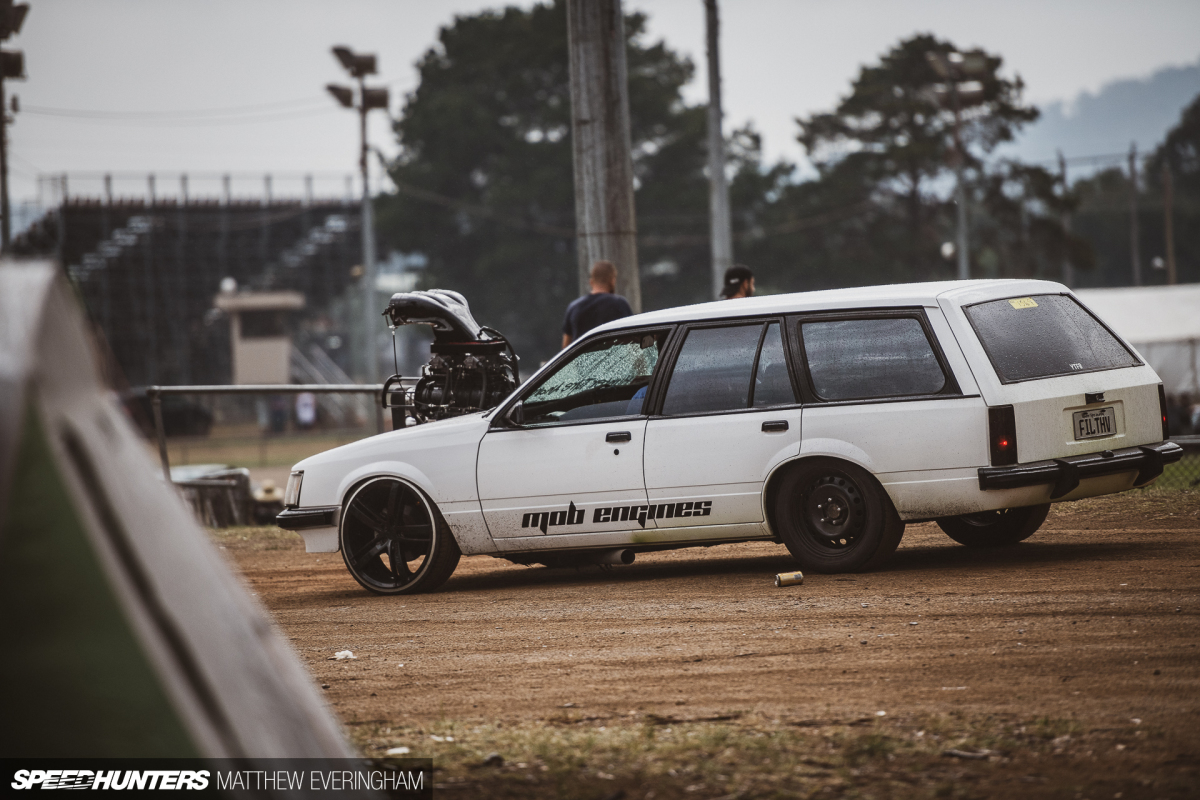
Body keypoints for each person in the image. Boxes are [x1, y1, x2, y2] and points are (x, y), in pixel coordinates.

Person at [562, 260, 633, 348]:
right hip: (613, 360)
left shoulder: (573, 307)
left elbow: (566, 347)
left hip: (582, 361)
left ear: (591, 282)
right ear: (612, 281)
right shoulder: (619, 304)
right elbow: (633, 340)